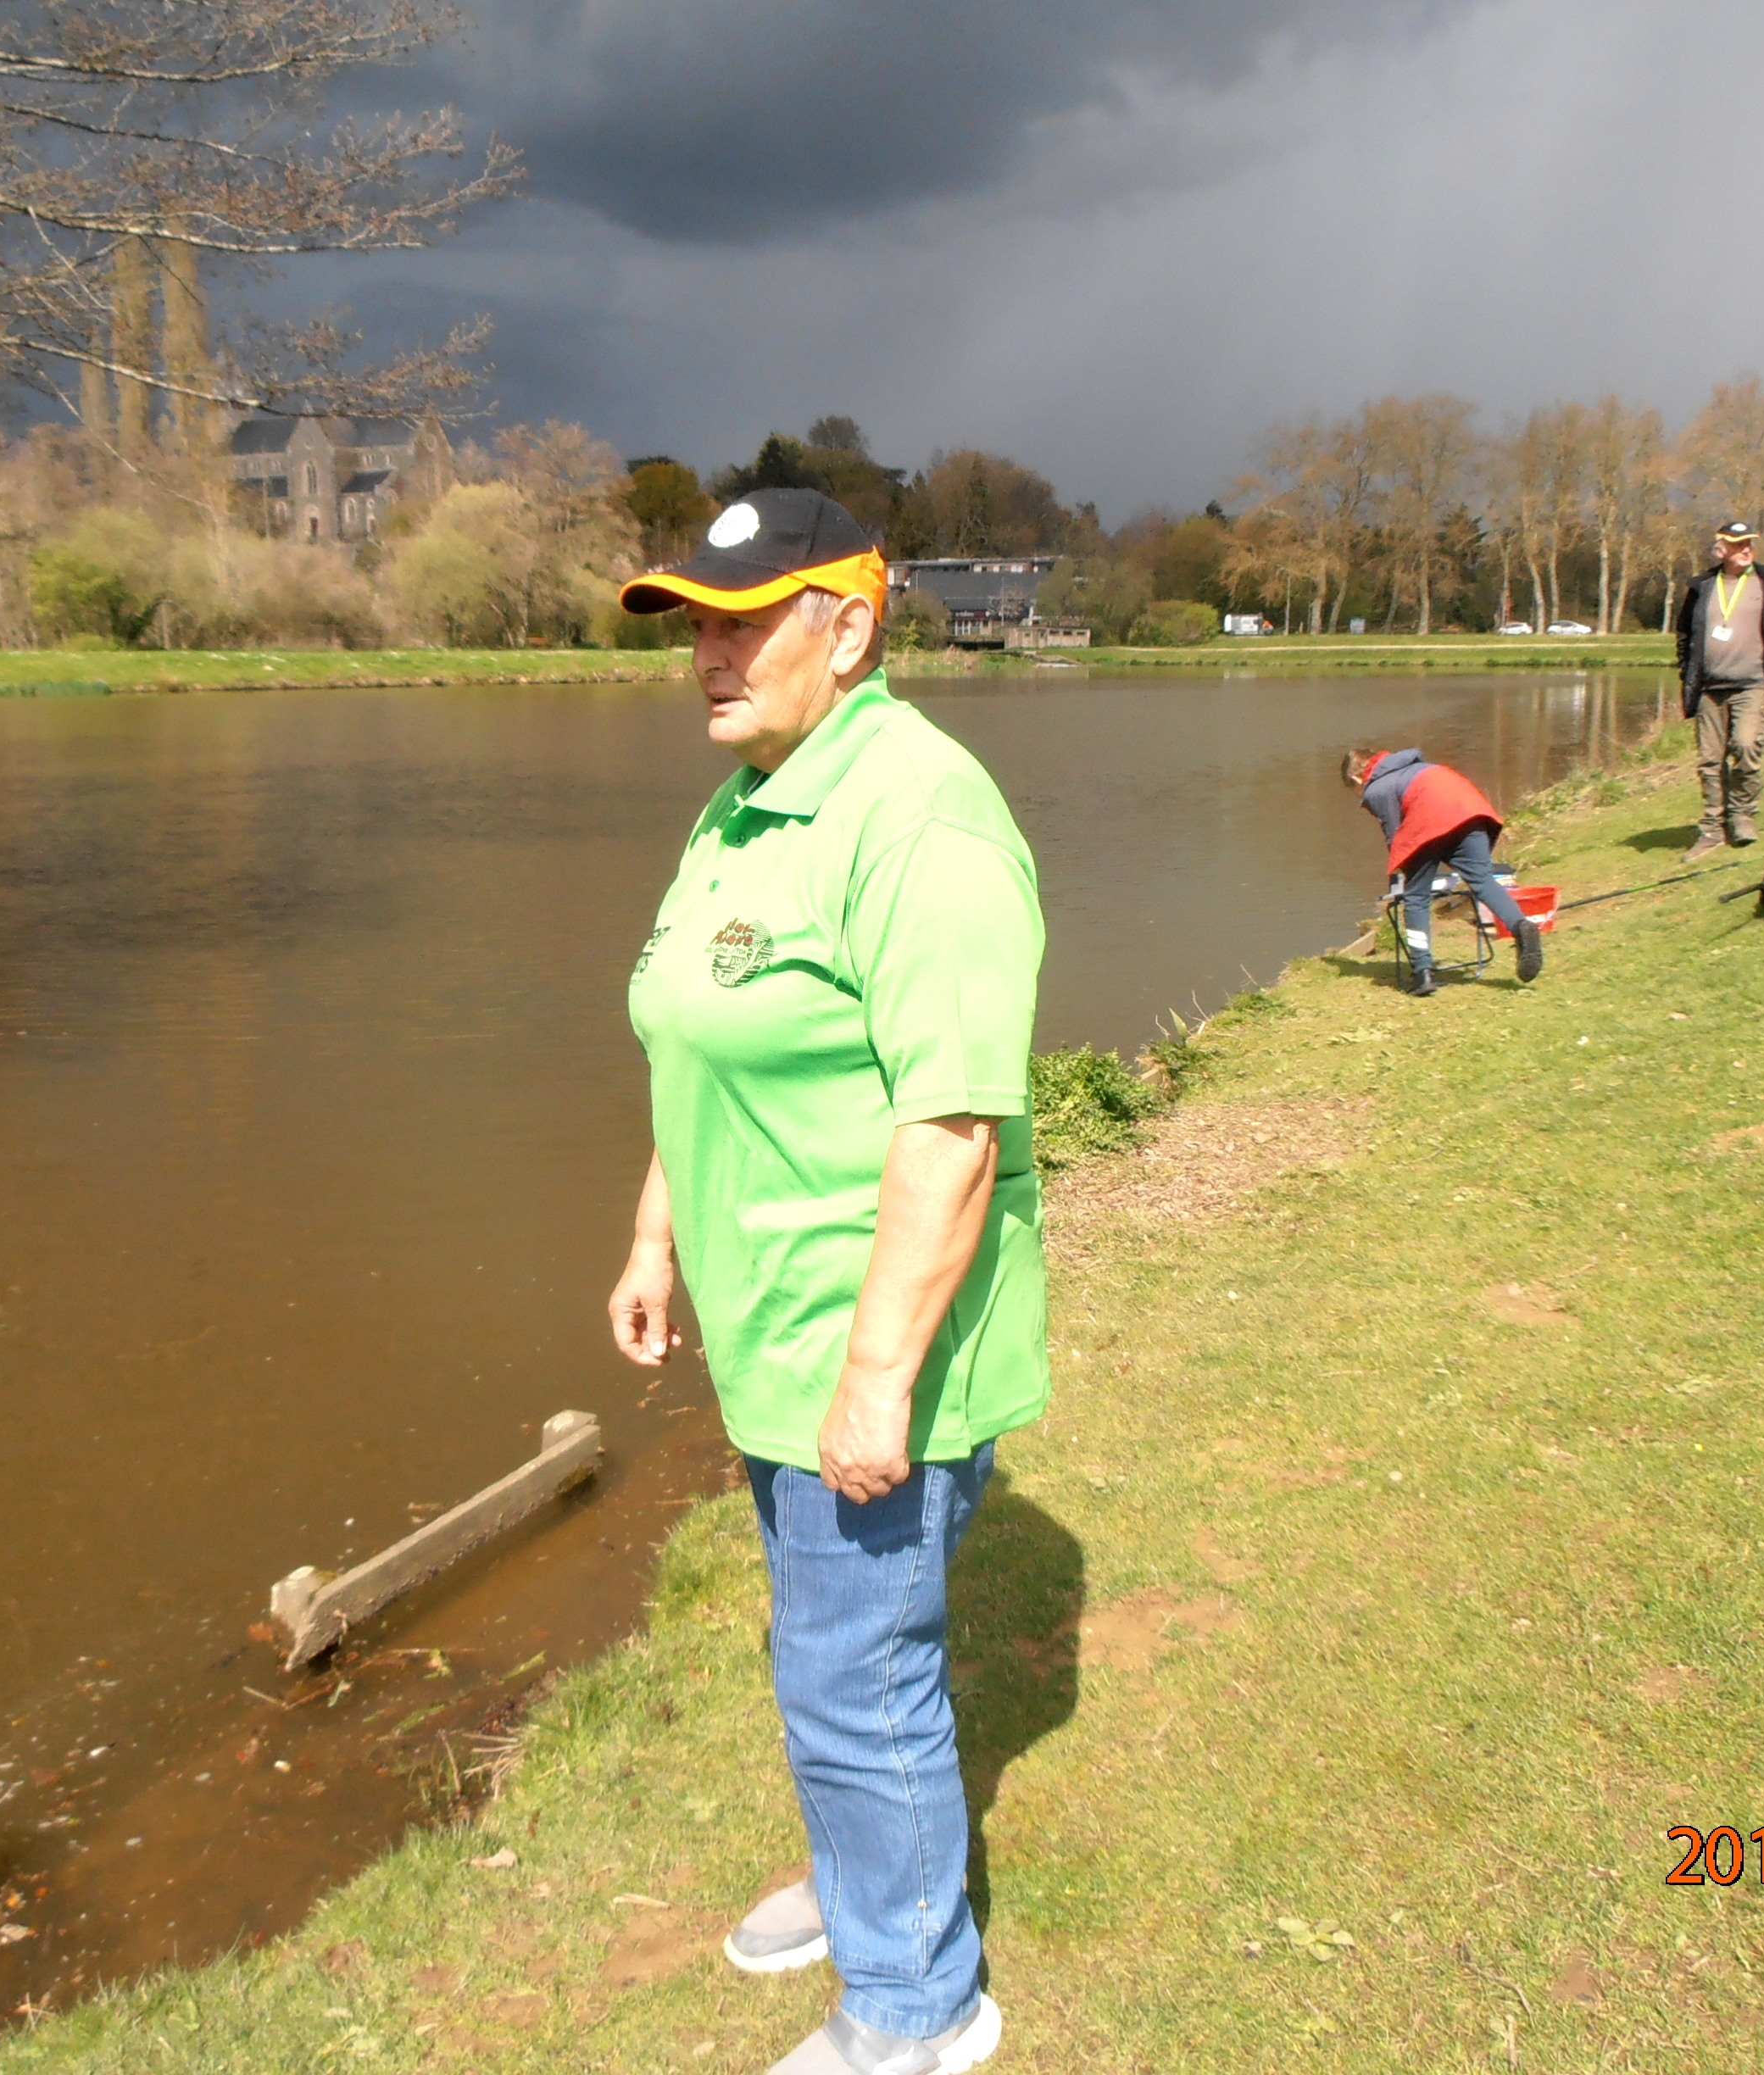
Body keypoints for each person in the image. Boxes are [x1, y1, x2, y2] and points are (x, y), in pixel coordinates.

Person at [608, 488, 1043, 2075]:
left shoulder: (917, 817)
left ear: (848, 627)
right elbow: (691, 1040)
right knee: (822, 1647)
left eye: (744, 617)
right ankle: (872, 1885)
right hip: (770, 1340)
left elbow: (949, 1122)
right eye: (694, 623)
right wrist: (656, 1239)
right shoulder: (746, 799)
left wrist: (875, 1376)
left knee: (856, 1674)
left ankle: (921, 2005)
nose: (707, 654)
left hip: (874, 1350)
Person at [1344, 745, 1543, 997]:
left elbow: (1395, 836)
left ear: (1356, 778)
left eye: (1356, 791)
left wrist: (1399, 877)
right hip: (1470, 809)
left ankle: (1422, 972)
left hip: (1430, 816)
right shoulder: (1412, 767)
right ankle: (1521, 927)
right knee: (1482, 880)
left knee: (1415, 897)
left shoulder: (1376, 788)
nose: (1361, 795)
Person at [1674, 520, 1764, 860]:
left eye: (1749, 543)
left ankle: (1742, 816)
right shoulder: (1702, 586)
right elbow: (1685, 636)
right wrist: (1687, 673)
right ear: (1722, 549)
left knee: (1746, 747)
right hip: (1710, 688)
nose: (1746, 548)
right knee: (1709, 761)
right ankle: (1711, 830)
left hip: (1753, 684)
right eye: (1738, 544)